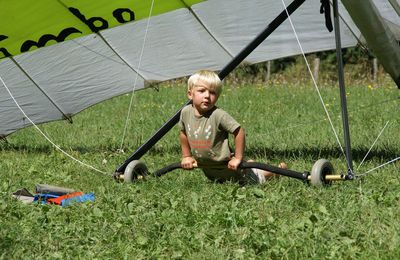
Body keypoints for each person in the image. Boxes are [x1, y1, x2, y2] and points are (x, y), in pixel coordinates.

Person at [179, 70, 287, 184]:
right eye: (202, 91)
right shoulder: (185, 112)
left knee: (257, 179)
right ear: (190, 94)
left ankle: (279, 169)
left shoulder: (218, 115)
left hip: (232, 169)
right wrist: (186, 156)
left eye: (213, 93)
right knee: (221, 181)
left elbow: (239, 131)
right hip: (209, 168)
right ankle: (252, 165)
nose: (207, 96)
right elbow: (183, 133)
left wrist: (237, 158)